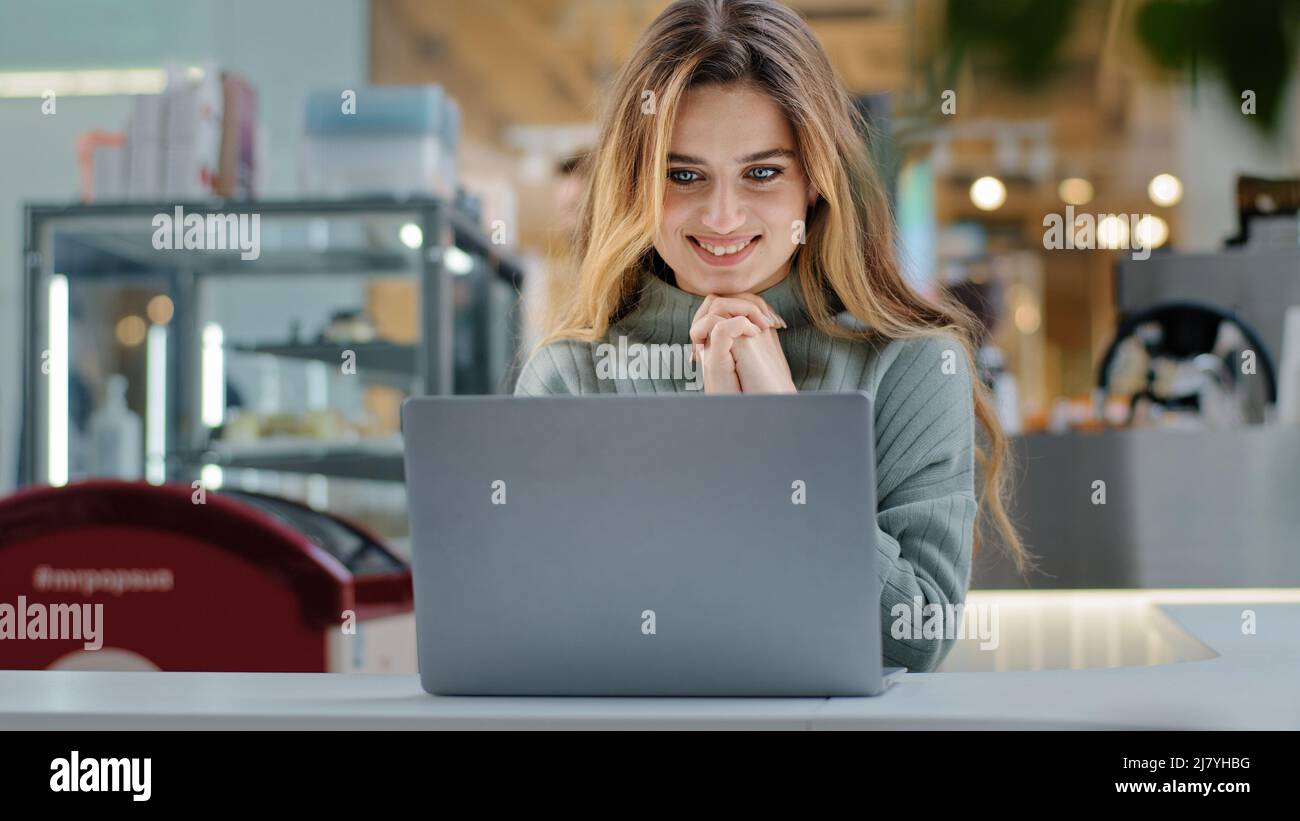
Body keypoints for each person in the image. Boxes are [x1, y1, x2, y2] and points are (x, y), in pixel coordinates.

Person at [514, 0, 1029, 671]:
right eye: (683, 174)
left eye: (762, 172)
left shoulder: (911, 366)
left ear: (815, 179)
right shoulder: (570, 374)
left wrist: (786, 436)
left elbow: (915, 635)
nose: (723, 216)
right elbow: (532, 632)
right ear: (637, 181)